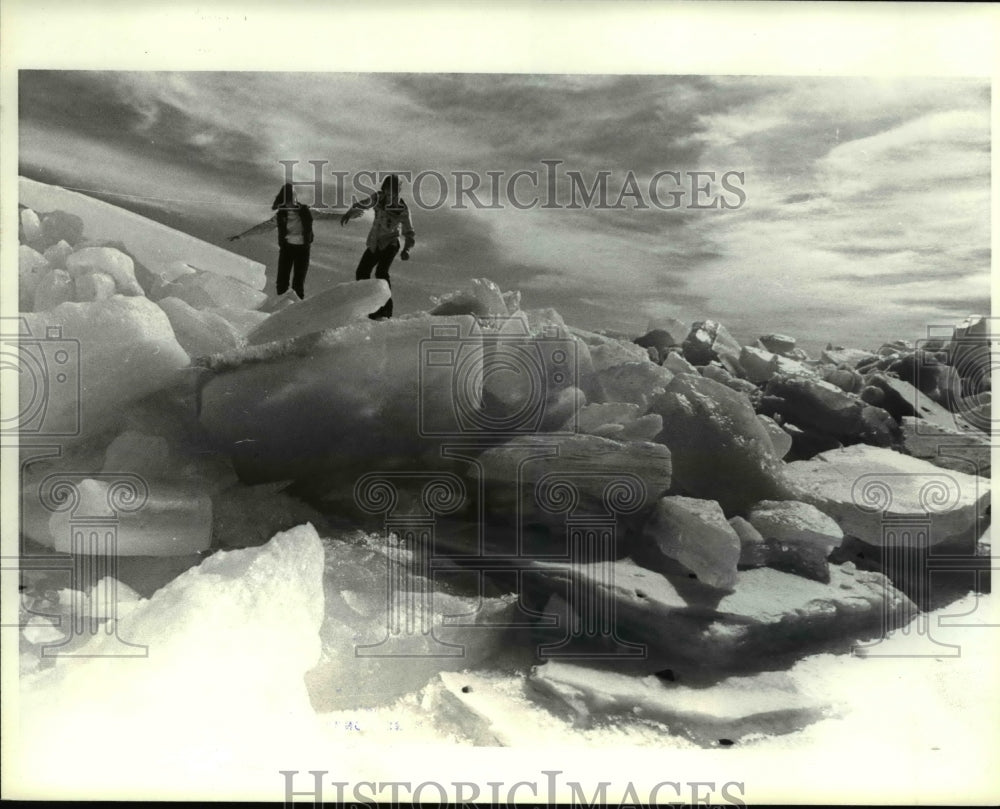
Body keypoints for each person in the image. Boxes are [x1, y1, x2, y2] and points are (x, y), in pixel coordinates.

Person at [341, 174, 415, 319]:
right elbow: (364, 203)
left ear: (398, 191)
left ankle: (386, 311)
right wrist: (351, 211)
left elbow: (409, 231)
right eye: (388, 190)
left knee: (381, 273)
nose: (390, 194)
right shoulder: (378, 198)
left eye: (393, 191)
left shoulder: (402, 208)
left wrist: (407, 249)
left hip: (390, 244)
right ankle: (368, 307)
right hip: (375, 242)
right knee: (362, 272)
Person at [229, 183, 315, 299]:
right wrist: (242, 236)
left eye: (292, 200)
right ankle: (281, 307)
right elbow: (263, 227)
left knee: (298, 283)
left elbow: (328, 215)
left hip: (302, 250)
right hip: (287, 250)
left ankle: (296, 308)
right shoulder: (280, 215)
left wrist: (347, 215)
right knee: (282, 282)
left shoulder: (307, 211)